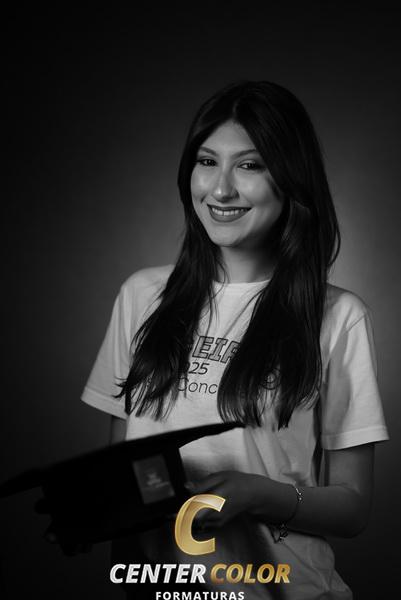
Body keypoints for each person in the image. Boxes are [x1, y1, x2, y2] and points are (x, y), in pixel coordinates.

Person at [81, 81, 389, 599]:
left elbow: (353, 508)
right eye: (207, 162)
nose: (220, 190)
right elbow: (124, 471)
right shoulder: (142, 296)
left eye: (249, 166)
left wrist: (260, 494)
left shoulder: (338, 316)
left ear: (290, 180)